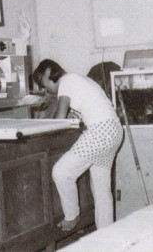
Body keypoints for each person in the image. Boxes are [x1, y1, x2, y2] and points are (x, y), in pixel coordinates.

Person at [33, 59, 124, 231]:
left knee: (61, 172)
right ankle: (107, 240)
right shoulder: (81, 80)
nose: (46, 90)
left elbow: (60, 119)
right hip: (114, 130)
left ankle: (72, 216)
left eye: (42, 84)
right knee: (101, 192)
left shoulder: (66, 81)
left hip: (101, 131)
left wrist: (39, 127)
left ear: (47, 72)